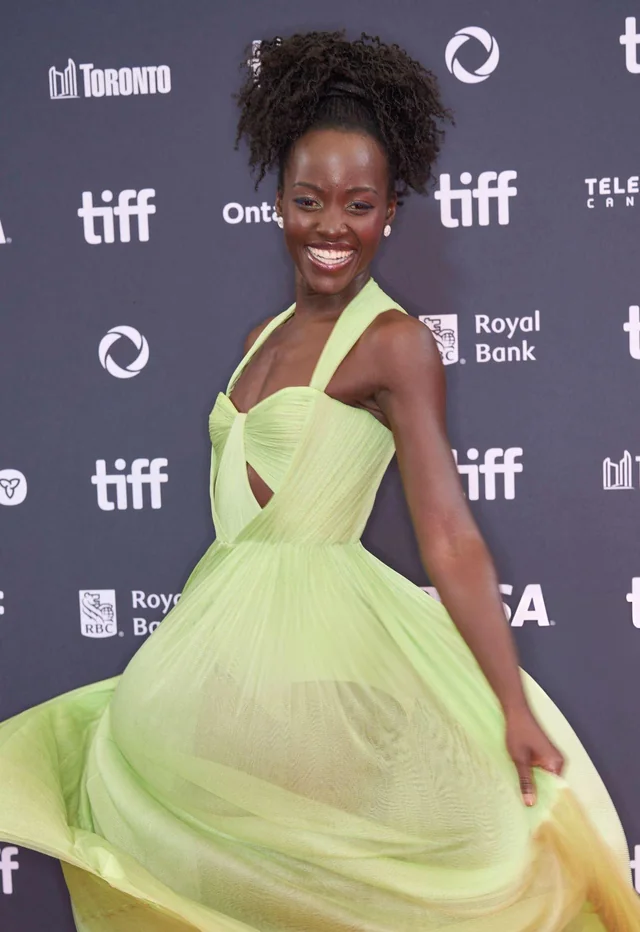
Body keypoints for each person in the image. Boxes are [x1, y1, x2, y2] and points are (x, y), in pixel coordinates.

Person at [0, 29, 639, 932]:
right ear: (279, 206)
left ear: (388, 214)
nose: (331, 226)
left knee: (337, 898)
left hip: (323, 663)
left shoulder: (395, 344)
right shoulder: (262, 335)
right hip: (221, 665)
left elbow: (449, 535)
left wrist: (508, 703)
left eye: (358, 203)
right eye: (309, 200)